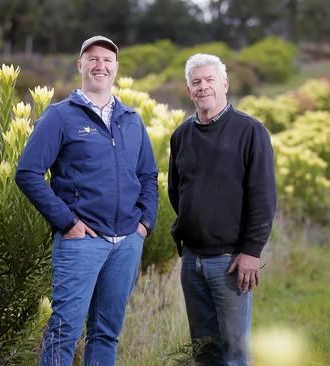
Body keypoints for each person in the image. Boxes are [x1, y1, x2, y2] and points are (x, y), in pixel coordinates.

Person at [15, 35, 158, 366]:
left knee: (106, 333)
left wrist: (144, 224)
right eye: (92, 59)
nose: (100, 65)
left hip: (126, 242)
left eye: (108, 60)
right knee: (63, 331)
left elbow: (149, 175)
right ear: (80, 65)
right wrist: (67, 222)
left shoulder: (132, 119)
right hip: (81, 242)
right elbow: (28, 173)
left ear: (116, 69)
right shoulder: (60, 116)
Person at [168, 53, 276, 365]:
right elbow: (177, 192)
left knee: (235, 352)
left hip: (230, 261)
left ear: (225, 83)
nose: (203, 87)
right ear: (190, 90)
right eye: (196, 82)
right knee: (203, 351)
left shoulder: (250, 131)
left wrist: (251, 252)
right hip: (192, 261)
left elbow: (264, 197)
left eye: (209, 80)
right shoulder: (181, 135)